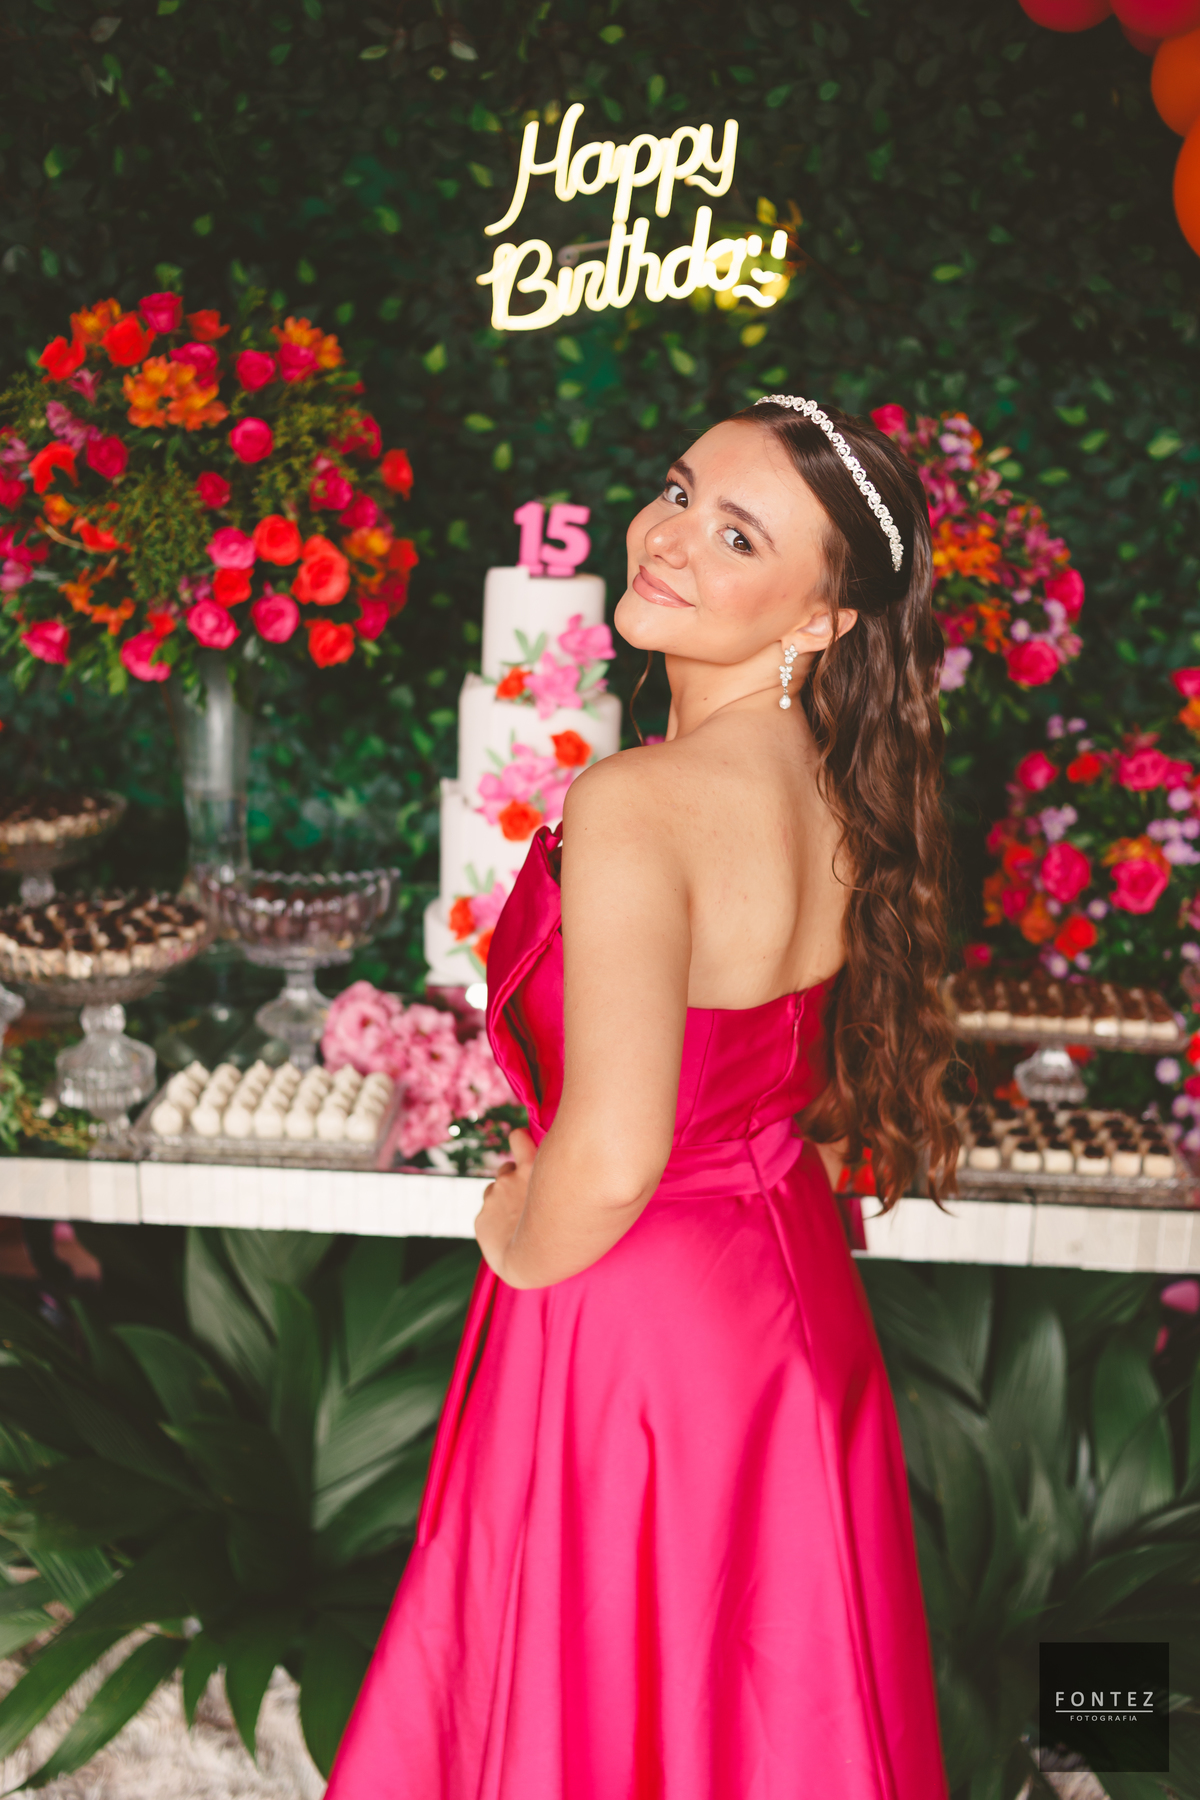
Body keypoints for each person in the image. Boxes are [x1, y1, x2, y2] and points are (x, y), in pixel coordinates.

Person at [325, 395, 958, 1798]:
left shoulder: (637, 802)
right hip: (783, 1301)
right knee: (766, 1712)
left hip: (640, 1331)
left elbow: (614, 1158)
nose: (669, 538)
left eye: (737, 536)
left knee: (606, 1704)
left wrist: (511, 1231)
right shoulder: (840, 788)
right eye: (678, 492)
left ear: (823, 617)